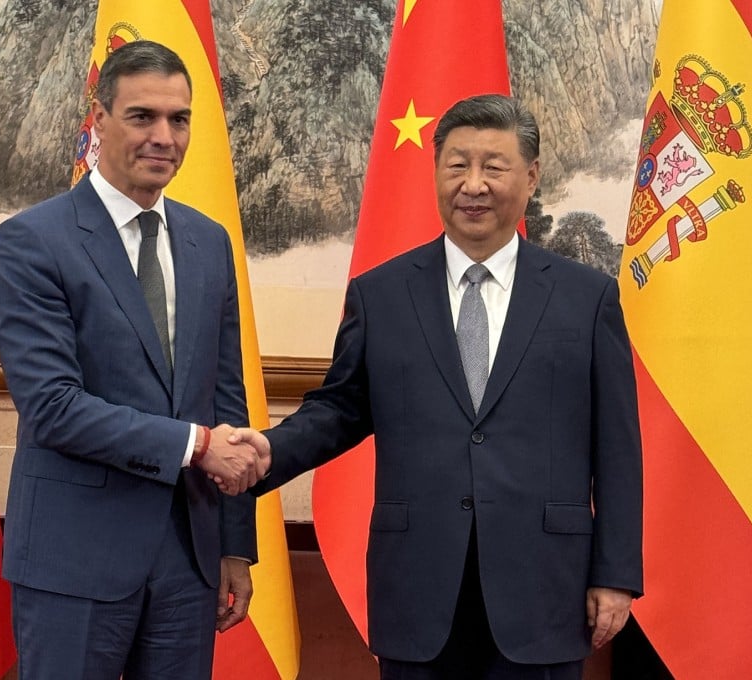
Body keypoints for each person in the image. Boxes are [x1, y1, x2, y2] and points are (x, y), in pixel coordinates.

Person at [233, 94, 643, 679]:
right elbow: (342, 408)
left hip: (545, 586)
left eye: (493, 167)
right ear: (436, 173)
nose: (472, 184)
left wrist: (616, 573)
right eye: (456, 165)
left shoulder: (587, 299)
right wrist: (269, 450)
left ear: (530, 177)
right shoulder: (382, 294)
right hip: (418, 584)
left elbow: (618, 449)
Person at [0, 40, 267, 680]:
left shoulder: (208, 241)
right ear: (99, 118)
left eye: (180, 119)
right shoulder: (33, 241)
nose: (164, 137)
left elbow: (226, 397)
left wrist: (234, 545)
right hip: (73, 557)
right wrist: (197, 446)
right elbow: (53, 408)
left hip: (188, 560)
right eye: (143, 116)